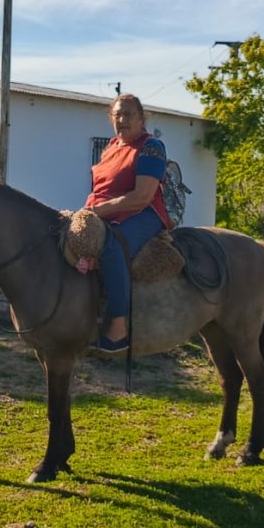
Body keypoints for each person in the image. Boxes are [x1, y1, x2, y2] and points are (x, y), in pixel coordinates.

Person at [84, 94, 173, 354]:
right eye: (117, 115)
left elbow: (141, 196)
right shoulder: (111, 147)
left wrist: (98, 211)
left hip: (145, 212)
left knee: (113, 245)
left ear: (142, 119)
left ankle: (118, 329)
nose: (122, 120)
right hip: (106, 211)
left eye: (128, 114)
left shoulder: (151, 147)